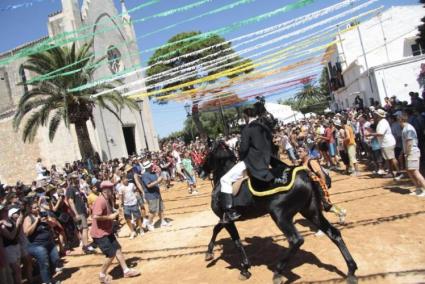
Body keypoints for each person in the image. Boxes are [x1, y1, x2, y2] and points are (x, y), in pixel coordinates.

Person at [91, 181, 140, 283]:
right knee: (111, 254)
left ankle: (126, 271)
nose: (113, 191)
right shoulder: (100, 201)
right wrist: (109, 217)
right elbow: (95, 216)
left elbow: (109, 212)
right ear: (106, 190)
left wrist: (116, 212)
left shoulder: (107, 199)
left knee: (118, 249)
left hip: (107, 231)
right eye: (111, 189)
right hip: (100, 234)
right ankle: (102, 275)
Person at [297, 146, 346, 223]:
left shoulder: (311, 162)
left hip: (319, 186)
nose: (298, 153)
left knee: (325, 206)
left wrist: (324, 186)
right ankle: (340, 212)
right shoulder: (301, 163)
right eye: (298, 151)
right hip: (311, 188)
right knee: (317, 206)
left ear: (306, 152)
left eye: (300, 151)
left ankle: (338, 213)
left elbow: (321, 174)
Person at [23, 200, 61, 284]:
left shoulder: (43, 214)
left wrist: (48, 220)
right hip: (36, 245)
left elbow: (54, 224)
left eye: (37, 207)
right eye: (35, 207)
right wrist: (37, 221)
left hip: (49, 242)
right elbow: (26, 232)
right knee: (44, 263)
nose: (37, 209)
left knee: (55, 260)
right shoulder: (28, 218)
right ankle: (46, 281)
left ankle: (50, 278)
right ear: (30, 209)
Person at [368, 109, 403, 180]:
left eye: (375, 114)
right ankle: (391, 172)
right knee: (389, 158)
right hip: (385, 143)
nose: (374, 115)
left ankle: (399, 172)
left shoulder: (383, 122)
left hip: (387, 143)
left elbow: (381, 133)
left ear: (378, 115)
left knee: (392, 158)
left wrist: (370, 134)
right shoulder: (381, 122)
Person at [66, 172, 94, 254]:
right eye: (74, 178)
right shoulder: (70, 189)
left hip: (82, 211)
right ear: (71, 179)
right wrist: (76, 214)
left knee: (83, 229)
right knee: (85, 228)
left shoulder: (76, 188)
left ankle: (85, 245)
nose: (76, 179)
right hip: (79, 212)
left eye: (76, 178)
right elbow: (70, 202)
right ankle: (86, 246)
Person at [398, 112, 425, 197]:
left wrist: (407, 153)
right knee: (409, 171)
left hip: (412, 152)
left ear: (400, 119)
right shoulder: (405, 128)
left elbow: (409, 142)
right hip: (409, 152)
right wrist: (403, 153)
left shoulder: (408, 128)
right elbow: (406, 143)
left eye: (398, 119)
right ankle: (418, 188)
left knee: (415, 172)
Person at [141, 161, 171, 231]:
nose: (152, 166)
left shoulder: (153, 173)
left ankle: (163, 221)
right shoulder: (145, 175)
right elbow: (148, 185)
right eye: (151, 166)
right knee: (153, 211)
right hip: (151, 195)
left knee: (161, 209)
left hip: (157, 193)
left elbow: (159, 180)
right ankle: (149, 223)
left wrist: (160, 174)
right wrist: (158, 181)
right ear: (148, 167)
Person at [118, 175, 144, 239]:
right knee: (127, 219)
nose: (126, 180)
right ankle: (132, 231)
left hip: (134, 203)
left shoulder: (132, 184)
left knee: (138, 217)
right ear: (122, 180)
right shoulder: (121, 188)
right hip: (126, 205)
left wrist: (139, 199)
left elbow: (136, 192)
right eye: (124, 179)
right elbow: (120, 197)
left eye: (126, 178)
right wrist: (120, 206)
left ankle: (141, 229)